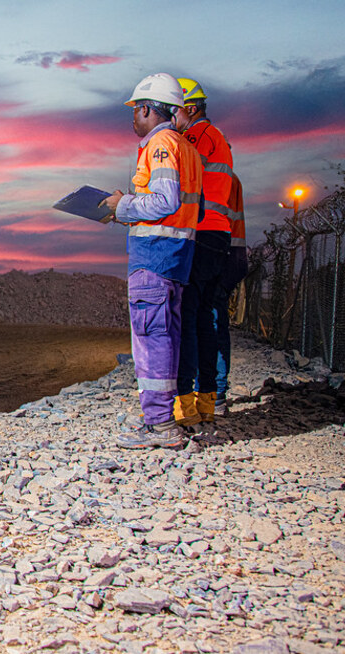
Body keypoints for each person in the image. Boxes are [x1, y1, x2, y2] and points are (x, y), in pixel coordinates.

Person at [102, 73, 204, 449]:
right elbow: (194, 205)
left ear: (147, 109)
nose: (133, 117)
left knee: (151, 339)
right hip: (177, 259)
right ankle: (164, 417)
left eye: (135, 110)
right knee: (168, 336)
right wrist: (127, 206)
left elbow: (165, 201)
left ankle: (160, 424)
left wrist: (122, 206)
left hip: (154, 257)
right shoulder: (185, 147)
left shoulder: (159, 144)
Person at [170, 77, 233, 428]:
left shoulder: (195, 138)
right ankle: (208, 399)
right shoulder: (219, 138)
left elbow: (179, 183)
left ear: (189, 108)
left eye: (173, 108)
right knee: (206, 320)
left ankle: (185, 406)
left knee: (188, 319)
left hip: (200, 233)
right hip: (218, 235)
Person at [212, 174, 248, 416]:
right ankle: (215, 392)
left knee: (210, 323)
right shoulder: (232, 177)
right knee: (214, 322)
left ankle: (213, 394)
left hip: (218, 253)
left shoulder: (215, 175)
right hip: (230, 254)